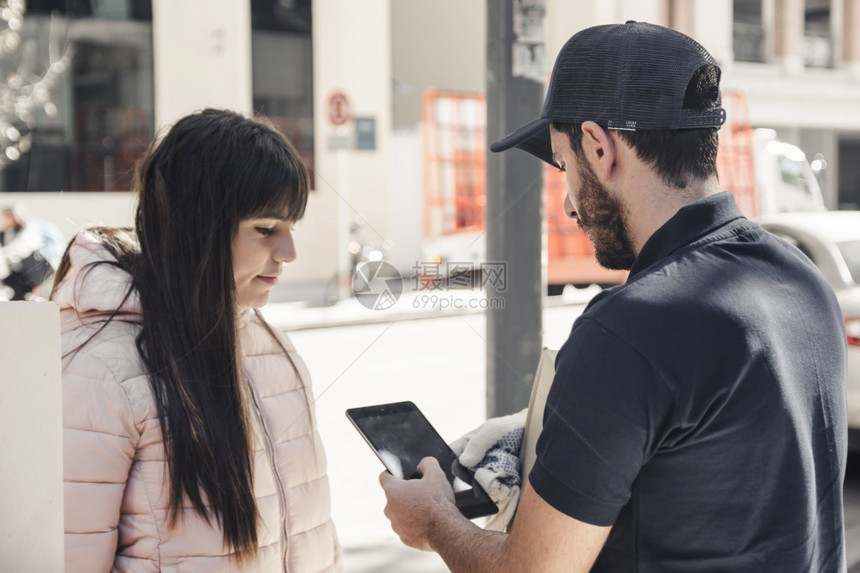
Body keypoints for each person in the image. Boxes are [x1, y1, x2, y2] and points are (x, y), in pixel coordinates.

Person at [379, 21, 847, 572]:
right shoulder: (805, 280)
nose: (568, 206)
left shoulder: (630, 328)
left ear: (599, 148)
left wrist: (434, 519)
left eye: (562, 165)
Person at [52, 109, 342, 572]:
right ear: (199, 227)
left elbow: (308, 533)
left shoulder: (272, 345)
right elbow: (69, 557)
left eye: (291, 230)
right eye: (266, 230)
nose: (289, 253)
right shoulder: (101, 368)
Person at [0, 204, 65, 300]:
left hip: (36, 270)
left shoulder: (30, 229)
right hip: (16, 274)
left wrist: (5, 255)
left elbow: (22, 247)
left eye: (7, 217)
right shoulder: (5, 234)